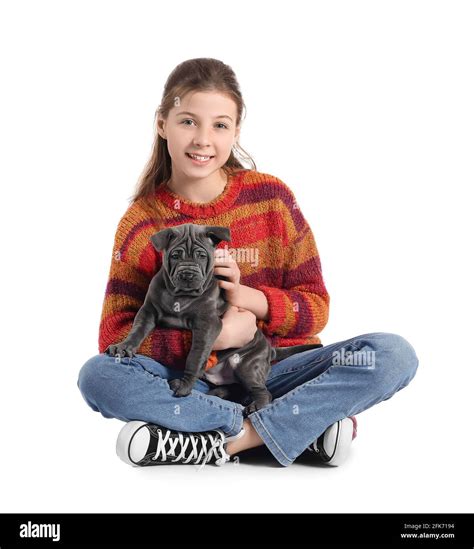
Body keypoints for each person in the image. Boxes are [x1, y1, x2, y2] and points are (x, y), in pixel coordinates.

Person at [77, 57, 419, 468]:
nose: (204, 139)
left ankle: (223, 439)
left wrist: (249, 300)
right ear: (161, 123)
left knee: (390, 354)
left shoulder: (271, 199)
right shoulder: (142, 223)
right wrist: (210, 338)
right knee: (99, 376)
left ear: (236, 132)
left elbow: (315, 311)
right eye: (188, 121)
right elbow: (115, 336)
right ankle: (292, 428)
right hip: (192, 380)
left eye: (220, 125)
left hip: (276, 368)